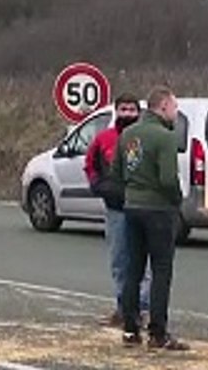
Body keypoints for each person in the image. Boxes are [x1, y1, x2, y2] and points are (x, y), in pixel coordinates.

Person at [112, 86, 189, 351]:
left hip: (132, 206)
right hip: (158, 209)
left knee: (134, 268)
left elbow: (117, 172)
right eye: (174, 107)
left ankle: (130, 329)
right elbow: (168, 178)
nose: (176, 113)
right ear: (164, 106)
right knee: (161, 270)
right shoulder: (165, 137)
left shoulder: (127, 135)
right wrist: (177, 200)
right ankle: (158, 331)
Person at [84, 93, 150, 326]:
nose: (128, 114)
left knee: (142, 261)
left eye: (132, 110)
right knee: (120, 260)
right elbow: (90, 165)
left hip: (143, 207)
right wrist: (99, 186)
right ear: (116, 111)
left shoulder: (145, 139)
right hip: (116, 209)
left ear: (139, 113)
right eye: (123, 110)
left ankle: (142, 308)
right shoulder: (104, 139)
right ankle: (123, 307)